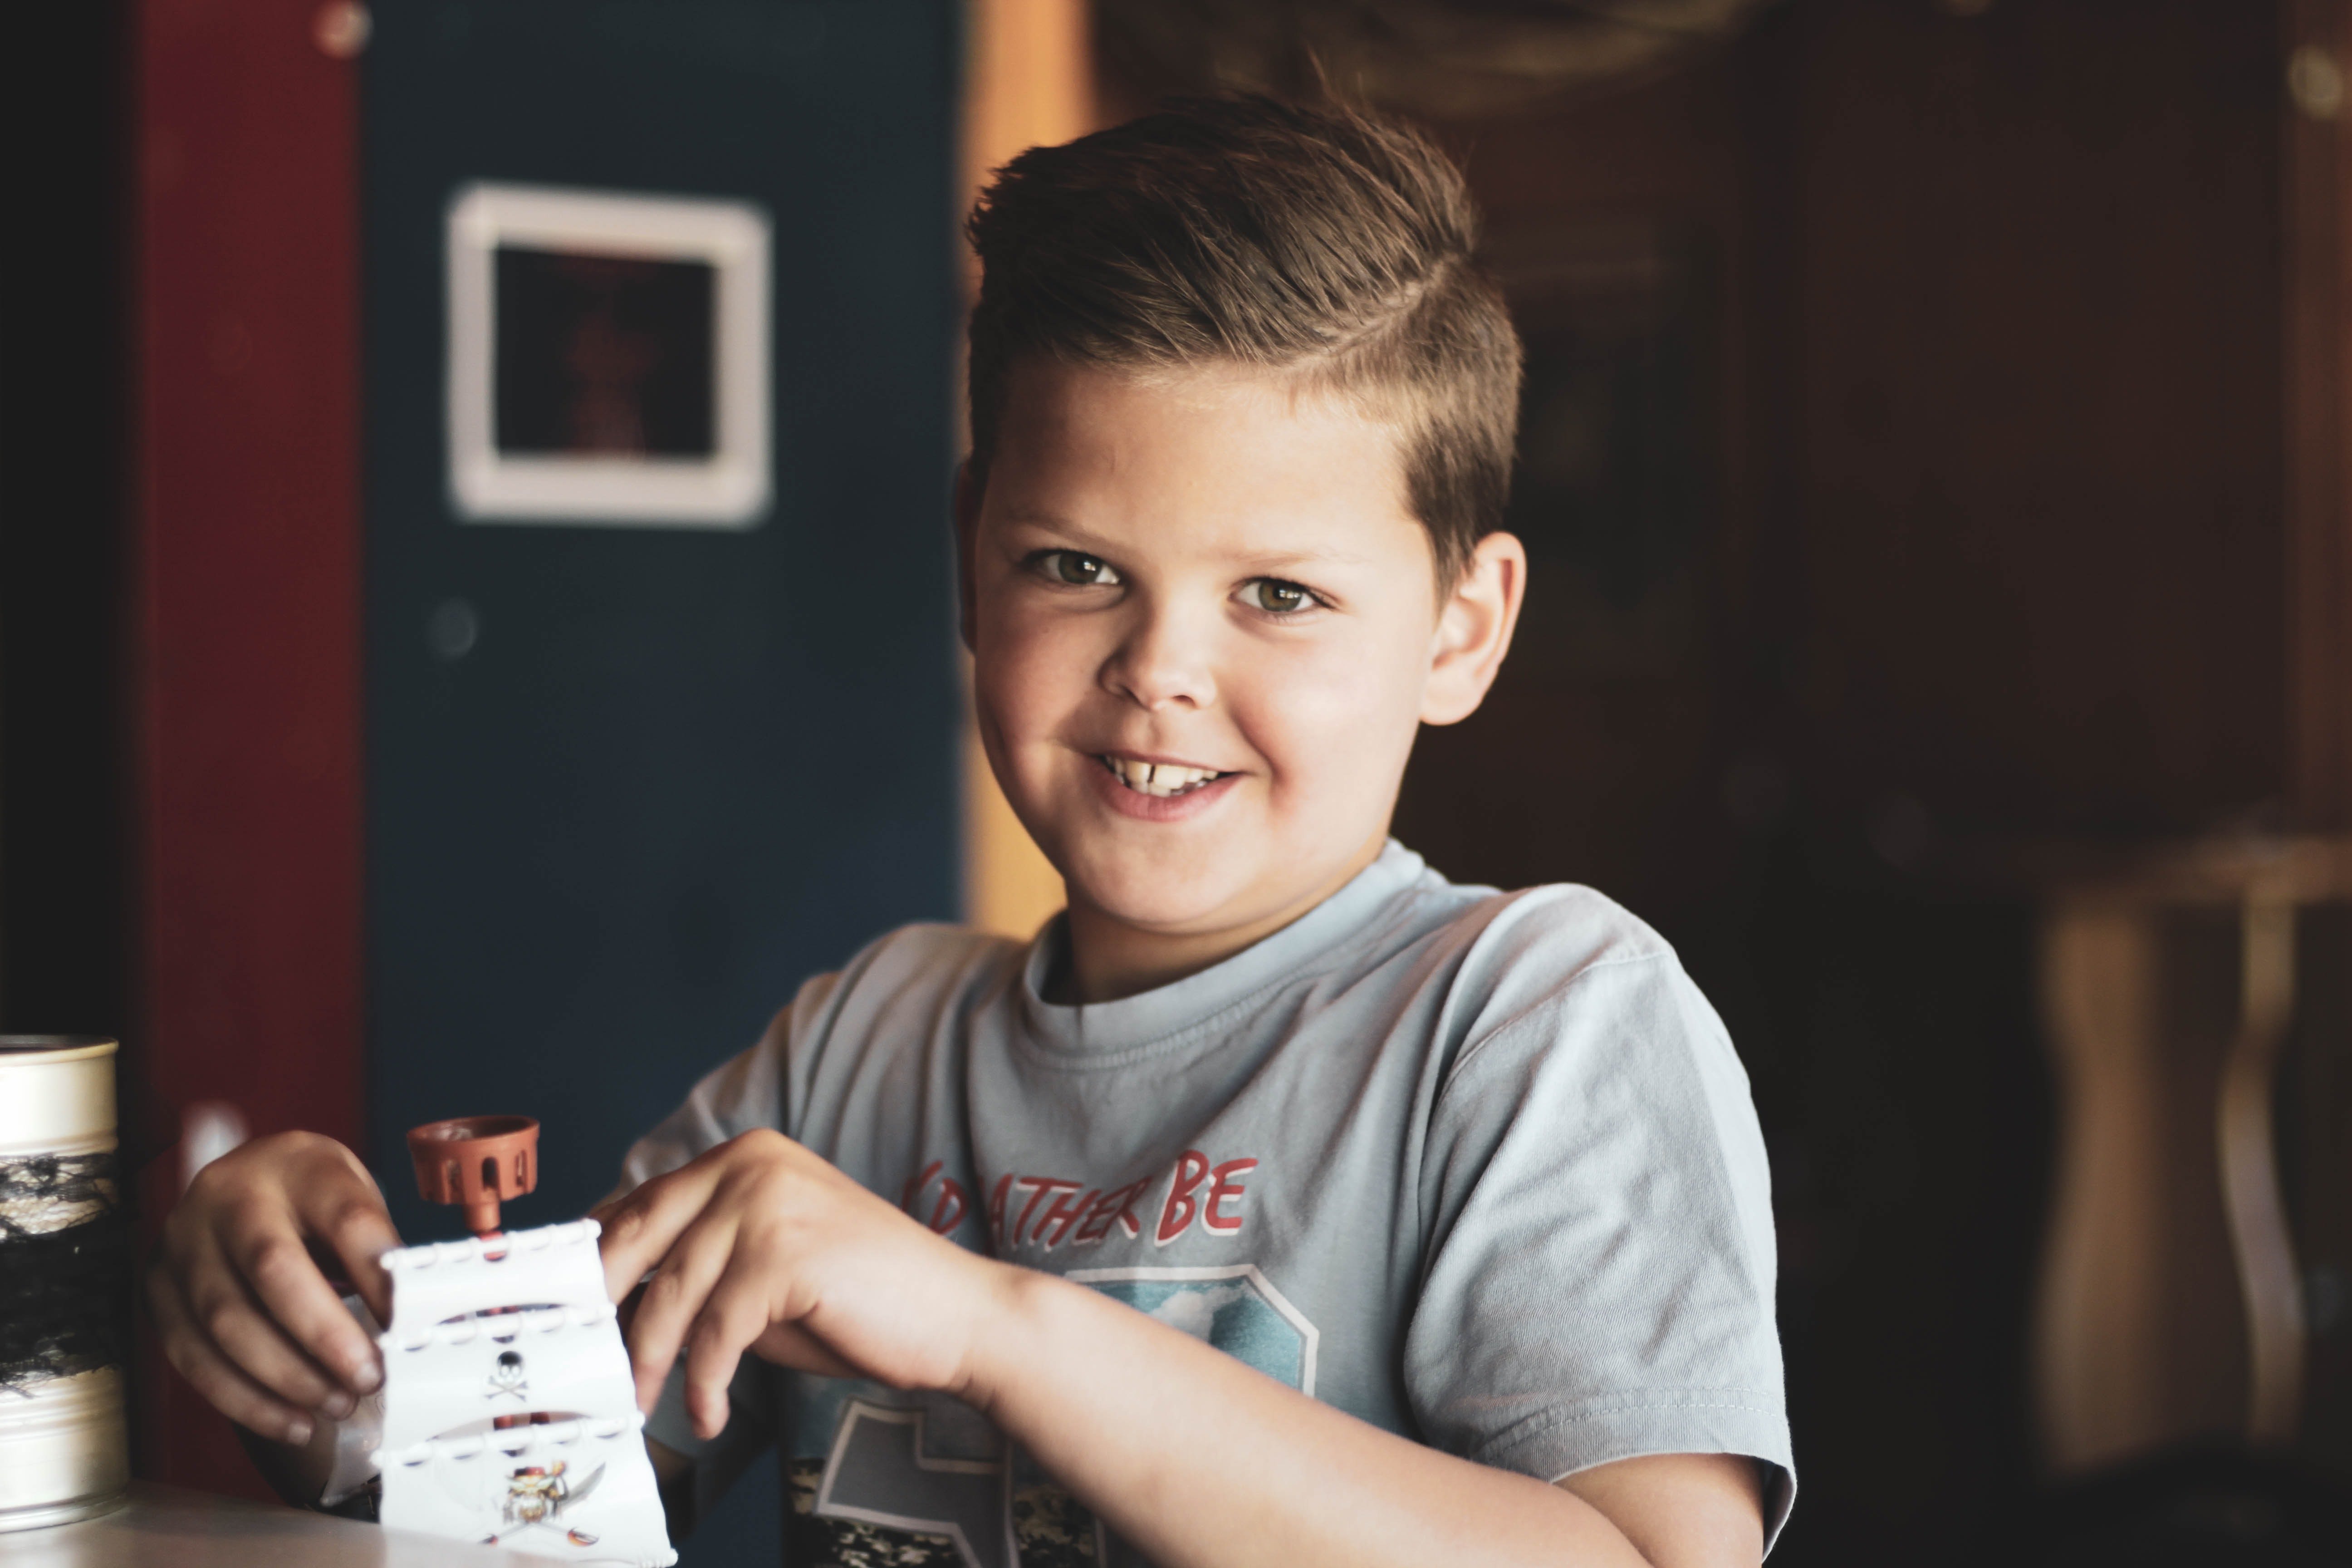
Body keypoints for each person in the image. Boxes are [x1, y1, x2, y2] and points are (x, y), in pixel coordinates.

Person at [150, 96, 1793, 1567]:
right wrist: (318, 1366)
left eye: (1278, 596)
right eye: (1076, 567)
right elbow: (506, 1523)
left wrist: (998, 1329)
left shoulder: (1536, 1021)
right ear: (968, 555)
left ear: (1462, 627)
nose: (1158, 671)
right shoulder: (857, 1052)